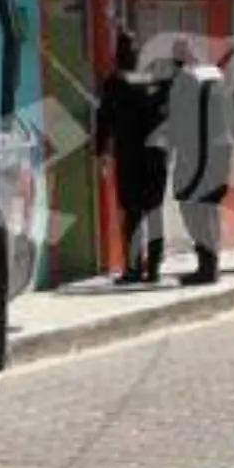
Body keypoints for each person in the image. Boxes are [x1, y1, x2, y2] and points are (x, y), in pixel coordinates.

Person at [95, 28, 169, 285]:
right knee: (155, 212)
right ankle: (155, 268)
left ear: (118, 55)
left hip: (131, 156)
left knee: (133, 214)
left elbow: (104, 119)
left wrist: (100, 151)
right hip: (158, 155)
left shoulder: (115, 82)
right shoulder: (155, 79)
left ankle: (135, 267)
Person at [164, 37, 234, 286]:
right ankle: (211, 263)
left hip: (198, 151)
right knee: (208, 205)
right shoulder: (215, 74)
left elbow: (180, 118)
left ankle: (207, 266)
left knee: (191, 205)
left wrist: (174, 149)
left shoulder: (185, 79)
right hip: (221, 148)